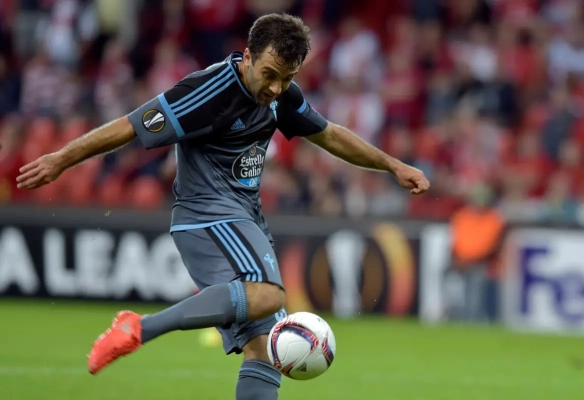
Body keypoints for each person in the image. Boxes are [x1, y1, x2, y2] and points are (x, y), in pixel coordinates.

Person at [16, 13, 429, 400]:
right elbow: (130, 126)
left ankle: (145, 329)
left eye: (287, 78)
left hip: (242, 217)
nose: (276, 88)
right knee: (267, 295)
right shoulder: (207, 91)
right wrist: (61, 159)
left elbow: (330, 135)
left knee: (264, 348)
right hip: (208, 216)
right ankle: (140, 327)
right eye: (269, 75)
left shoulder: (282, 95)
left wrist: (392, 165)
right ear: (247, 56)